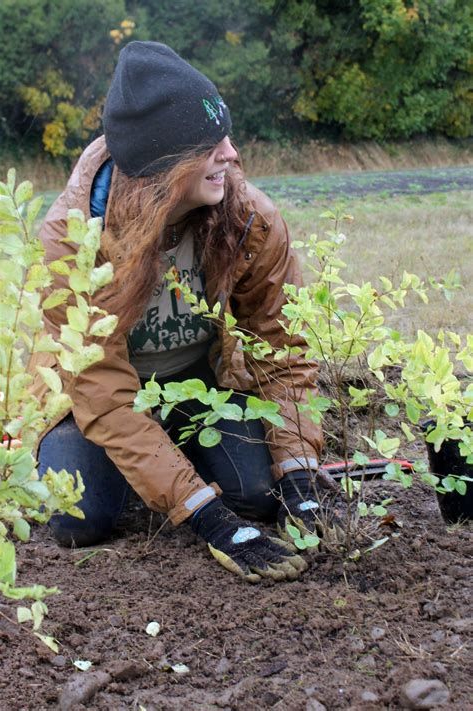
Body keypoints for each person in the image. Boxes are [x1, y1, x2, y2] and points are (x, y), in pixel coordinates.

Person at [32, 41, 337, 583]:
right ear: (161, 168)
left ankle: (166, 464)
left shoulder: (249, 221)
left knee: (260, 495)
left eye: (225, 135)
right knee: (78, 519)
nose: (232, 154)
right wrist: (208, 519)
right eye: (209, 145)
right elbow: (103, 392)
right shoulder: (74, 240)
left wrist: (303, 475)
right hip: (94, 406)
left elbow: (283, 351)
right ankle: (147, 470)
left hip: (198, 387)